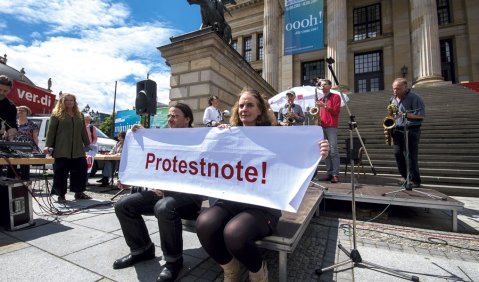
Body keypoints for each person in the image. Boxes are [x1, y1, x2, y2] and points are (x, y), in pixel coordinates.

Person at [195, 87, 329, 282]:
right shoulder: (227, 133)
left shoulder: (276, 136)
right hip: (230, 200)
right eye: (241, 105)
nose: (244, 109)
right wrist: (218, 136)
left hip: (263, 207)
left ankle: (257, 272)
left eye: (250, 105)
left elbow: (300, 164)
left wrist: (318, 152)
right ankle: (230, 268)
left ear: (260, 110)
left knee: (234, 233)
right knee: (205, 224)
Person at [113, 103, 204, 282]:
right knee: (123, 205)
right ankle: (142, 249)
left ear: (188, 119)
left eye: (175, 116)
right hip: (163, 192)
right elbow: (147, 162)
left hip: (189, 197)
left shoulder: (200, 139)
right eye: (169, 116)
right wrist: (140, 134)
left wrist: (223, 131)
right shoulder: (162, 139)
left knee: (164, 207)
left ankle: (173, 261)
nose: (170, 119)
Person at [43, 93, 92, 202]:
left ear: (74, 102)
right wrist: (48, 145)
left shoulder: (80, 115)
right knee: (61, 172)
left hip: (78, 150)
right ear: (62, 102)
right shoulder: (56, 115)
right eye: (67, 100)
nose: (69, 102)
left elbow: (83, 131)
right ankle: (61, 195)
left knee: (81, 169)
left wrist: (87, 144)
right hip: (61, 149)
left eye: (71, 100)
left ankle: (79, 192)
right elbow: (51, 132)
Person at [389, 77, 425, 188]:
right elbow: (393, 114)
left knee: (410, 156)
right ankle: (406, 178)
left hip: (411, 130)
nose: (395, 91)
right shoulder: (392, 99)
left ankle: (415, 180)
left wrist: (404, 114)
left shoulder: (415, 98)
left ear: (405, 87)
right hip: (398, 130)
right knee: (398, 155)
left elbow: (421, 115)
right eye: (394, 89)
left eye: (398, 89)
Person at [316, 78, 341, 183]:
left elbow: (336, 112)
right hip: (322, 127)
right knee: (325, 151)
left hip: (331, 126)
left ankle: (335, 174)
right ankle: (329, 173)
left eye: (325, 84)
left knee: (333, 150)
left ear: (330, 86)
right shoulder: (320, 100)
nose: (323, 86)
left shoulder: (336, 97)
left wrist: (324, 106)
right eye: (321, 85)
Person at [13, 105, 40, 180]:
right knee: (12, 166)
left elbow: (35, 137)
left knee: (24, 167)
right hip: (13, 147)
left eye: (22, 110)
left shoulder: (33, 124)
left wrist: (35, 148)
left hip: (26, 148)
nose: (20, 111)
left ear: (27, 112)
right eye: (19, 110)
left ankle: (25, 184)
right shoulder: (13, 123)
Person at [0, 75, 17, 141]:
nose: (1, 93)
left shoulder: (10, 106)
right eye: (0, 89)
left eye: (5, 91)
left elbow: (11, 126)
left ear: (9, 90)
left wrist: (11, 135)